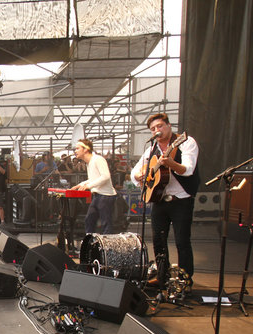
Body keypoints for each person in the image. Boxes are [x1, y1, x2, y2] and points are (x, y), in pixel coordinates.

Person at [131, 112, 200, 285]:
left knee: (182, 241)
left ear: (169, 126)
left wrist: (171, 164)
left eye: (160, 126)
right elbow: (134, 172)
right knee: (158, 240)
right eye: (153, 128)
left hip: (181, 199)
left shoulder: (185, 142)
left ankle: (185, 280)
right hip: (160, 200)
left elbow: (188, 169)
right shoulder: (151, 149)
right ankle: (162, 277)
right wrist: (140, 175)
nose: (157, 130)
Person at [72, 138, 117, 234]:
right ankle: (90, 244)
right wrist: (80, 185)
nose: (75, 151)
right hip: (97, 196)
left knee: (106, 223)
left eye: (77, 148)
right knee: (89, 220)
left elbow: (105, 176)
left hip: (106, 196)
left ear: (85, 149)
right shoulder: (89, 163)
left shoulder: (98, 159)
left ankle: (106, 247)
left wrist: (89, 186)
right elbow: (94, 178)